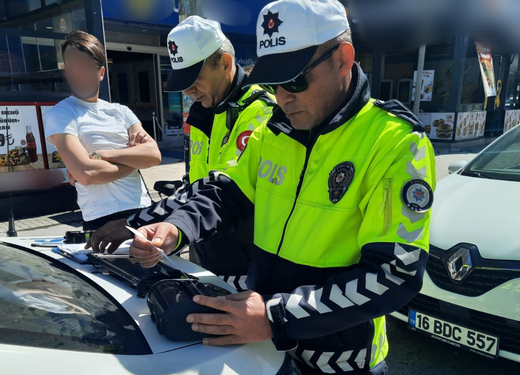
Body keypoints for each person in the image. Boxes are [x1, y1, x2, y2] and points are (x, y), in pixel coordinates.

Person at [127, 0, 436, 374]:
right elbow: (227, 193)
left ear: (344, 58)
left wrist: (276, 317)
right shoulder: (274, 130)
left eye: (295, 80)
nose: (283, 97)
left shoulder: (395, 142)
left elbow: (394, 273)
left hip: (340, 363)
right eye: (273, 82)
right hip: (264, 347)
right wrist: (177, 228)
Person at [87, 16, 275, 289]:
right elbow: (194, 187)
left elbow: (220, 190)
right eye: (182, 80)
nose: (188, 91)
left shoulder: (259, 111)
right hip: (208, 252)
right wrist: (169, 233)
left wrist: (135, 221)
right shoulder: (202, 113)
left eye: (195, 78)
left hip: (250, 266)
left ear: (225, 64)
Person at [44, 30, 162, 231]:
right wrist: (134, 161)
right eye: (71, 66)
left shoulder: (121, 111)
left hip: (142, 211)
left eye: (84, 65)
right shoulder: (61, 113)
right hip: (102, 220)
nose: (77, 72)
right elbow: (86, 172)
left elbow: (153, 155)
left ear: (100, 73)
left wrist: (102, 156)